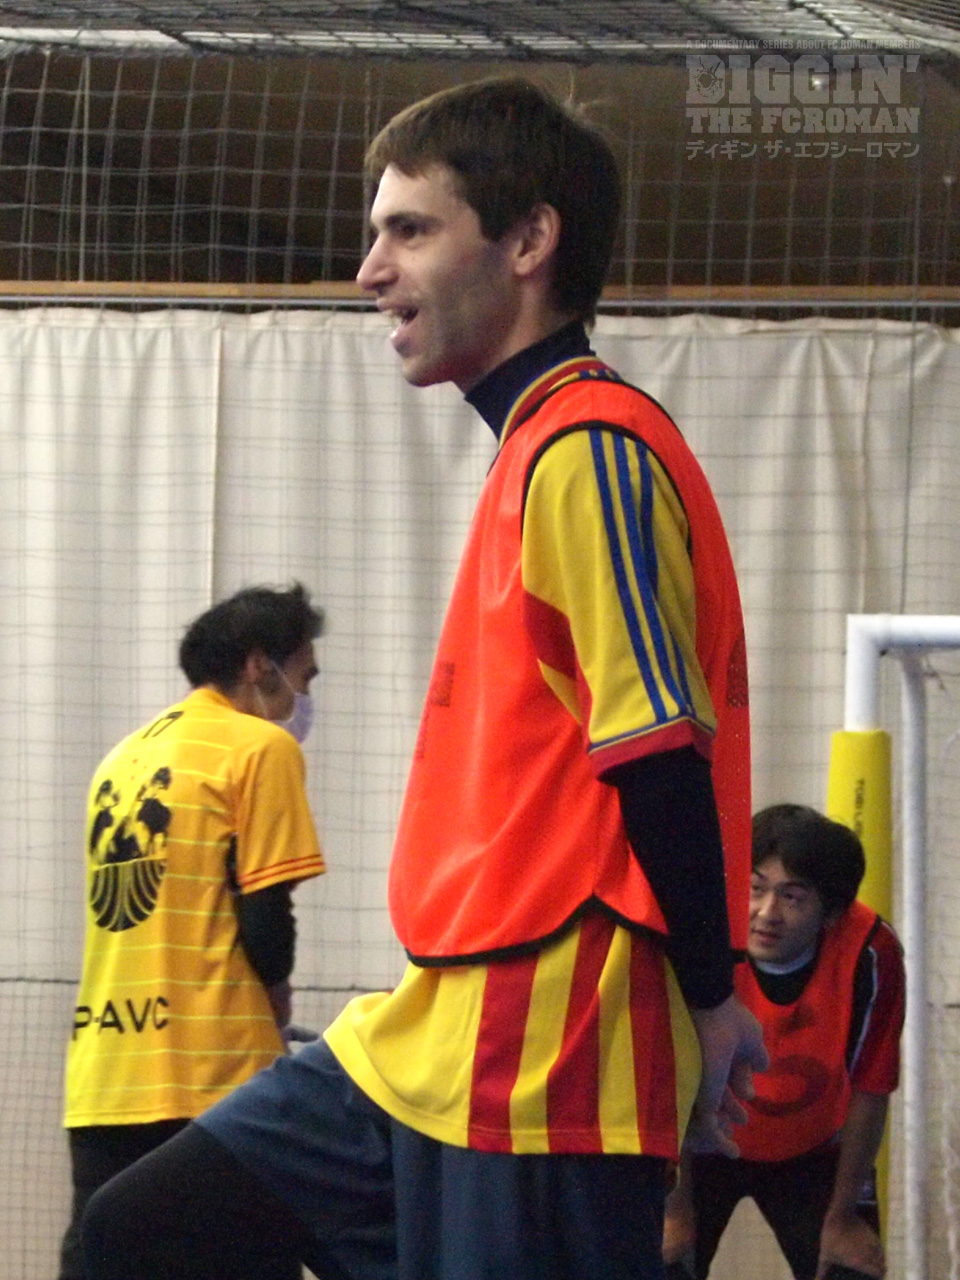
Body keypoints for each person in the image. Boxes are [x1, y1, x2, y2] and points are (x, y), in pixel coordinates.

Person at [82, 76, 767, 1280]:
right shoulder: (539, 449)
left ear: (529, 240)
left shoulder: (589, 447)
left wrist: (713, 995)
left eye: (410, 229)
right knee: (130, 1233)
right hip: (428, 1026)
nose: (370, 269)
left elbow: (658, 748)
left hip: (545, 1038)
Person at [60, 583, 326, 1280]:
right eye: (304, 676)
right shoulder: (259, 747)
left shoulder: (122, 758)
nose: (303, 697)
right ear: (259, 665)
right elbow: (266, 914)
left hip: (106, 1074)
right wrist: (276, 1005)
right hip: (215, 1075)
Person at [662, 804, 905, 1280]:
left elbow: (871, 1088)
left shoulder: (871, 953)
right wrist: (674, 1208)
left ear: (832, 913)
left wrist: (842, 1217)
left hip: (816, 1148)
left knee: (852, 1266)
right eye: (755, 889)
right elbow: (667, 1075)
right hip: (703, 1140)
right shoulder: (701, 933)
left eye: (792, 898)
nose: (766, 913)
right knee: (659, 1259)